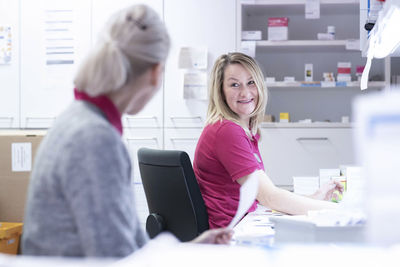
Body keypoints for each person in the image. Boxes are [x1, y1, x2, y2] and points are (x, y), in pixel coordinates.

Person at [22, 4, 232, 258]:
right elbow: (115, 255)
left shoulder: (78, 118)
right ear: (156, 73)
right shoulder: (96, 138)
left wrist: (191, 250)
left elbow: (129, 242)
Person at [193, 52, 343, 229]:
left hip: (241, 224)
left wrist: (313, 198)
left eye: (251, 82)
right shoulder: (227, 131)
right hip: (230, 235)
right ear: (220, 91)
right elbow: (269, 197)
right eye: (234, 85)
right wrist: (343, 211)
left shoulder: (241, 130)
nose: (245, 92)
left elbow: (264, 195)